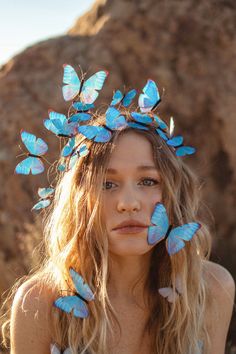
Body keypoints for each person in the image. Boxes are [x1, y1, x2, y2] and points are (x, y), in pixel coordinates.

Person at [0, 70, 235, 354]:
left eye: (148, 181)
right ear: (80, 201)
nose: (128, 203)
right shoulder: (39, 304)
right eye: (107, 183)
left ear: (173, 193)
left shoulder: (210, 290)